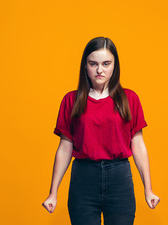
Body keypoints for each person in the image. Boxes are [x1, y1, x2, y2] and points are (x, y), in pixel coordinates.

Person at [42, 37, 160, 225]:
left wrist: (148, 189)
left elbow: (138, 145)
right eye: (93, 64)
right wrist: (53, 193)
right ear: (85, 66)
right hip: (83, 179)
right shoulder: (71, 100)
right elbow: (65, 148)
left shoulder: (129, 99)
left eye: (106, 64)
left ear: (115, 65)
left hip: (119, 178)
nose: (99, 70)